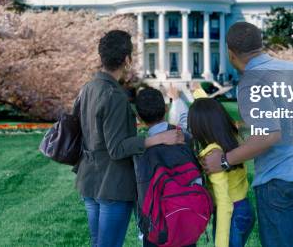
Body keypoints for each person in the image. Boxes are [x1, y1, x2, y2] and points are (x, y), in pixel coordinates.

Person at [202, 22, 293, 247]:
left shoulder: (250, 83)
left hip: (279, 180)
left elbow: (269, 136)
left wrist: (223, 161)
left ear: (230, 53)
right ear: (261, 46)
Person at [75, 30, 184, 247]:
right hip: (112, 184)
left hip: (89, 180)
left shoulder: (88, 88)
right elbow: (116, 148)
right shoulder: (113, 95)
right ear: (127, 60)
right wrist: (156, 138)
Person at [133, 87, 209, 247]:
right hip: (187, 223)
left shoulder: (141, 153)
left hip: (158, 231)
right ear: (166, 109)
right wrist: (178, 99)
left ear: (139, 117)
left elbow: (142, 196)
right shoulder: (185, 140)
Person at [188, 98, 255, 247]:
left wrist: (221, 244)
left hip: (231, 214)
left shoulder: (212, 155)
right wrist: (197, 91)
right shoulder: (233, 139)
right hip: (244, 208)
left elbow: (224, 203)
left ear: (199, 126)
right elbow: (210, 110)